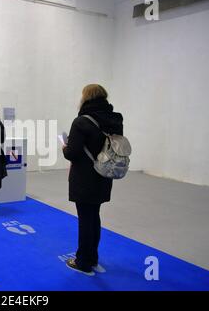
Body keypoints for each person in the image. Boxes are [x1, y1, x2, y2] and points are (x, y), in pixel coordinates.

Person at [62, 84, 123, 276]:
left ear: (86, 97)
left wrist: (64, 147)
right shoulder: (115, 119)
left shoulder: (81, 121)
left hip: (84, 177)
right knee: (94, 217)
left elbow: (72, 153)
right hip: (104, 174)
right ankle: (93, 258)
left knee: (85, 220)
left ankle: (83, 262)